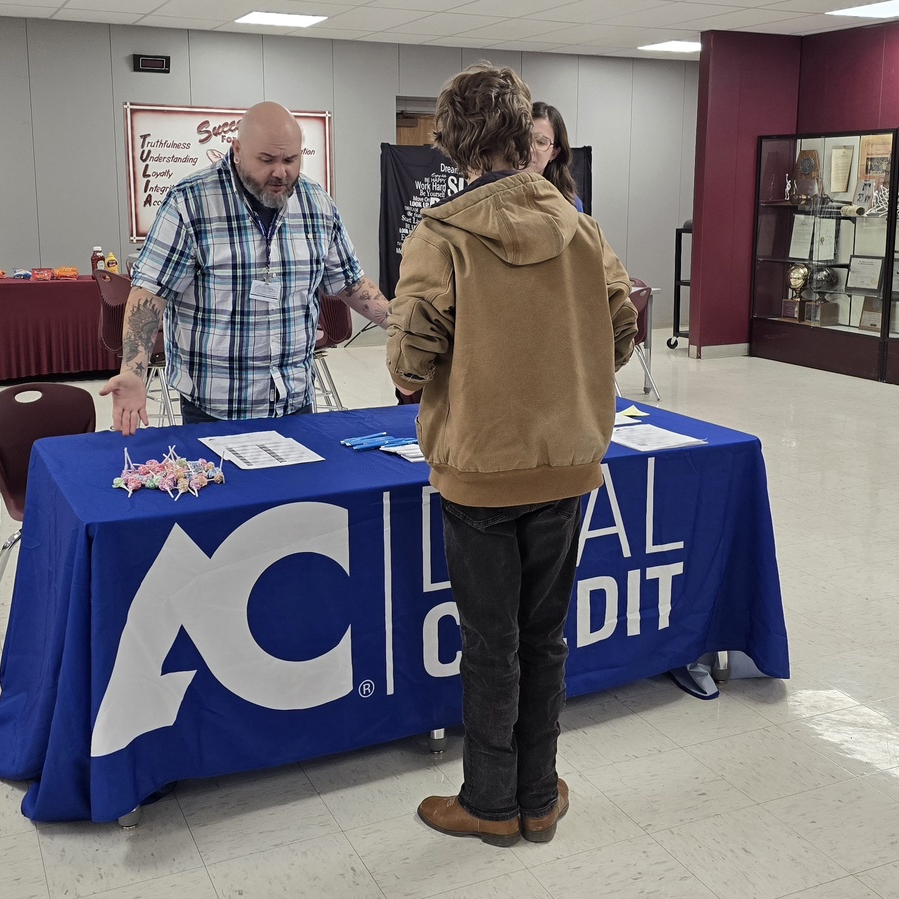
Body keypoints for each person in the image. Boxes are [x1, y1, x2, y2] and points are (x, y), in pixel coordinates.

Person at [386, 64, 636, 847]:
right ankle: (538, 793)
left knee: (489, 642)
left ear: (454, 142)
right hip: (567, 466)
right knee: (546, 635)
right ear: (523, 133)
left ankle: (491, 801)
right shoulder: (581, 225)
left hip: (479, 471)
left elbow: (409, 361)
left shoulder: (441, 233)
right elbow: (623, 330)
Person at [101, 101, 389, 434]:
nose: (280, 172)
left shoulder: (316, 203)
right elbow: (150, 293)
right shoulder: (189, 202)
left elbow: (350, 283)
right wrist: (133, 372)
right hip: (215, 410)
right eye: (267, 160)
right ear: (237, 150)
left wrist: (398, 323)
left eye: (290, 160)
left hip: (296, 402)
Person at [522, 101, 584, 212]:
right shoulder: (494, 189)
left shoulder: (569, 204)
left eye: (541, 142)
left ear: (554, 152)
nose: (529, 149)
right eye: (523, 138)